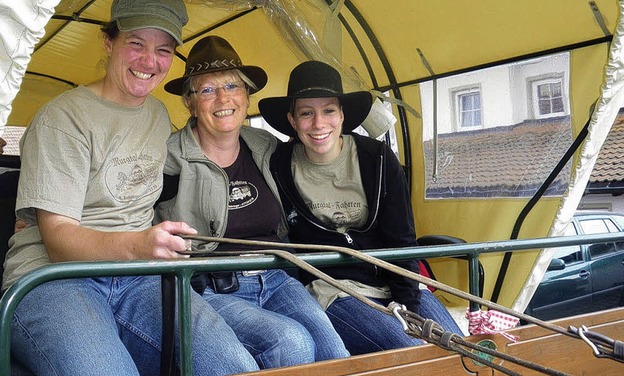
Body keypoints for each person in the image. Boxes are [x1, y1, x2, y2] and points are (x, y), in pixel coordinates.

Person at [2, 1, 260, 375]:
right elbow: (57, 241)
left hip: (140, 277)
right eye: (136, 44)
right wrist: (140, 244)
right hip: (53, 278)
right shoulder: (63, 118)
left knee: (231, 364)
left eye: (163, 51)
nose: (149, 61)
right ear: (108, 42)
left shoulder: (157, 116)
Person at [156, 36, 350, 368]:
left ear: (247, 96)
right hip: (211, 288)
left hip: (277, 277)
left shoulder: (266, 147)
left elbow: (323, 153)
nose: (222, 98)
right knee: (291, 343)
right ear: (189, 102)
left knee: (335, 350)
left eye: (232, 86)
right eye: (206, 90)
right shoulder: (168, 159)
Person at [260, 60, 464, 355]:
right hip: (333, 289)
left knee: (458, 350)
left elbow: (401, 239)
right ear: (292, 120)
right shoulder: (278, 166)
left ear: (342, 115)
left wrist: (406, 305)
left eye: (328, 110)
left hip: (393, 282)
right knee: (407, 351)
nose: (318, 124)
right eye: (307, 113)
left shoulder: (376, 159)